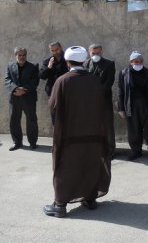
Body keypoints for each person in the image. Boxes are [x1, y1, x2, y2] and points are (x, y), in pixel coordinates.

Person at [43, 46, 110, 218]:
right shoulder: (94, 80)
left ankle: (60, 205)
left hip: (69, 135)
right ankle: (89, 199)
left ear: (67, 62)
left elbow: (53, 105)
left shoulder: (63, 80)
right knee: (90, 164)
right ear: (83, 61)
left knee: (66, 168)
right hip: (94, 134)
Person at [118, 51, 148, 161]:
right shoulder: (123, 73)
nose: (138, 63)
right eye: (136, 61)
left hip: (147, 105)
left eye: (140, 61)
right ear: (131, 62)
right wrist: (121, 109)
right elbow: (120, 92)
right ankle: (136, 151)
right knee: (133, 130)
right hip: (131, 105)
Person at [84, 44, 116, 159]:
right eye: (93, 53)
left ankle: (110, 150)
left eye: (98, 53)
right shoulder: (85, 64)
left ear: (101, 51)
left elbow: (109, 82)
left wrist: (97, 94)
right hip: (89, 101)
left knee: (107, 125)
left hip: (104, 100)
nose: (96, 55)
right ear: (89, 52)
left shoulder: (109, 64)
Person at [4, 47, 40, 151]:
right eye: (19, 55)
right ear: (16, 55)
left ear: (26, 55)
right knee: (14, 121)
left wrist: (23, 90)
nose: (22, 57)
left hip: (29, 98)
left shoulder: (33, 66)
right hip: (14, 98)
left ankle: (33, 143)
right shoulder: (10, 66)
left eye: (23, 55)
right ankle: (17, 142)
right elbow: (7, 80)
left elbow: (35, 81)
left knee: (32, 120)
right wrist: (15, 89)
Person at [39, 42, 68, 124]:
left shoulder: (68, 59)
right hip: (53, 92)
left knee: (67, 115)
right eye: (53, 50)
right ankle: (57, 135)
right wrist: (49, 67)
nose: (55, 52)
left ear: (61, 48)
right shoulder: (48, 61)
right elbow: (42, 76)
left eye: (57, 50)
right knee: (55, 116)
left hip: (66, 91)